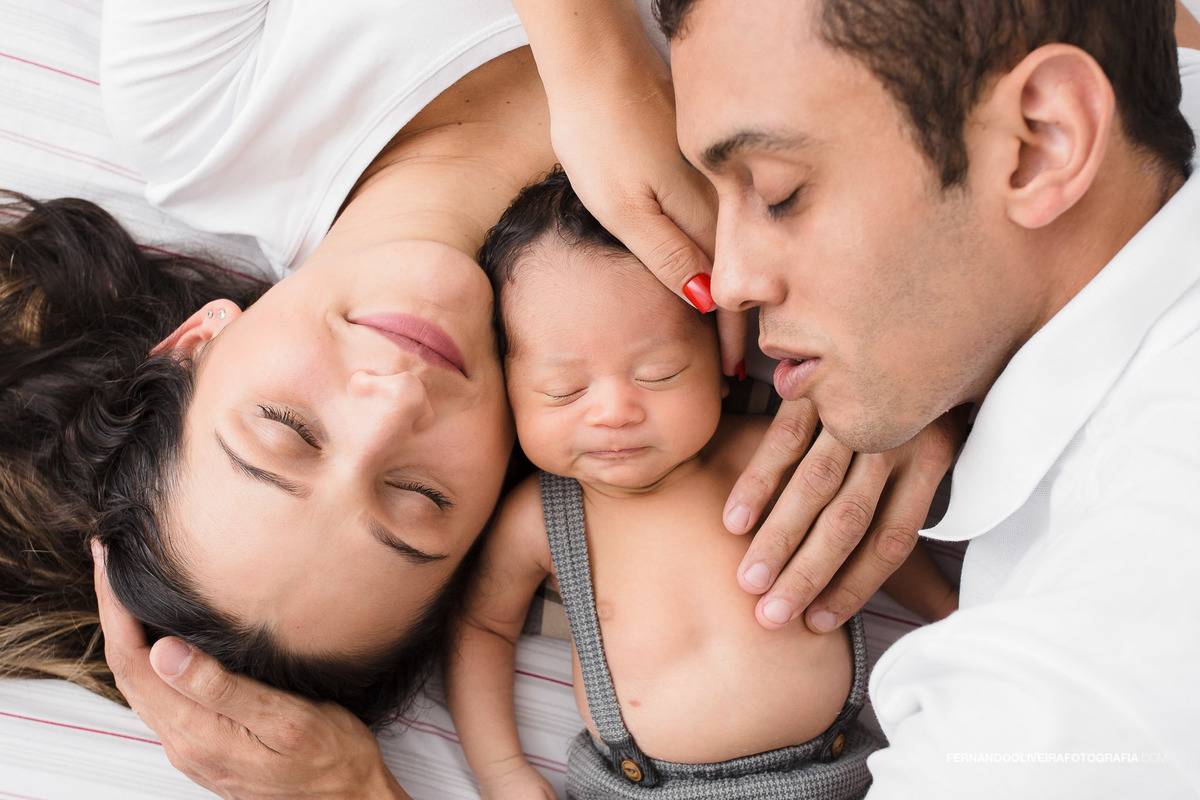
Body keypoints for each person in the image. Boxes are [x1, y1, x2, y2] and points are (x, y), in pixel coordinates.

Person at [1, 1, 957, 798]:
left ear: (196, 341)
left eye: (286, 431)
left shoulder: (203, 115)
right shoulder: (764, 306)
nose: (392, 405)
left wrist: (596, 62)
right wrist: (936, 349)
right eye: (419, 496)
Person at [660, 0, 1200, 795]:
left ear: (1042, 145)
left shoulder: (1093, 681)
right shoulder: (1146, 122)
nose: (732, 280)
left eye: (779, 193)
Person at [445, 169, 958, 799]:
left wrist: (948, 609)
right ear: (509, 393)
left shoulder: (768, 451)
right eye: (564, 390)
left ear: (722, 363)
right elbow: (481, 629)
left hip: (837, 774)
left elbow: (869, 525)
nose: (613, 412)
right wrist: (501, 771)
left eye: (658, 374)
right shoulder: (538, 519)